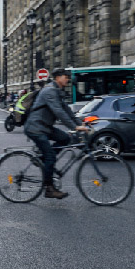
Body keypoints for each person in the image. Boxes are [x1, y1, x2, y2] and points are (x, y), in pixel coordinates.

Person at [23, 69, 90, 199]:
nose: (68, 79)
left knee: (65, 138)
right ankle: (49, 189)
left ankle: (43, 159)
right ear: (58, 78)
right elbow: (58, 111)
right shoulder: (49, 91)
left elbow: (67, 111)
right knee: (51, 157)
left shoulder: (57, 91)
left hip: (45, 127)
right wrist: (75, 127)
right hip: (35, 128)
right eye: (66, 77)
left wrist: (81, 124)